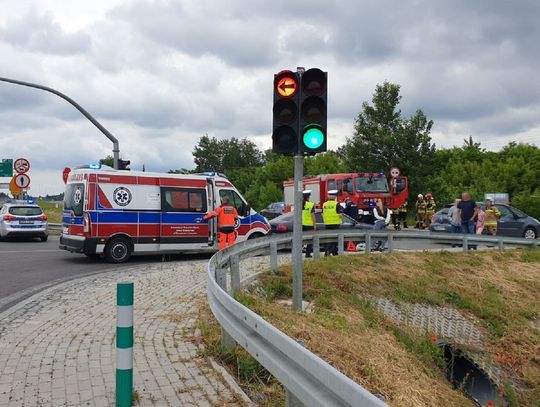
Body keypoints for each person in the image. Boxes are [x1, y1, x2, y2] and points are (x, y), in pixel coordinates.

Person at [322, 190, 343, 256]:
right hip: (335, 223)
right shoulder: (337, 204)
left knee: (329, 238)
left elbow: (322, 214)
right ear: (335, 197)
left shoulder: (324, 204)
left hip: (327, 224)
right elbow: (340, 215)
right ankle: (328, 252)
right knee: (334, 239)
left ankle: (334, 252)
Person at [301, 190, 317, 258]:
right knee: (310, 240)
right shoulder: (310, 205)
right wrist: (315, 225)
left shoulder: (299, 204)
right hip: (309, 224)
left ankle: (298, 253)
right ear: (308, 197)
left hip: (301, 224)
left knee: (300, 239)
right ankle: (307, 254)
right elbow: (312, 215)